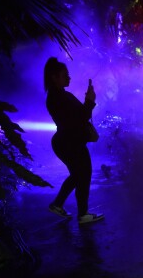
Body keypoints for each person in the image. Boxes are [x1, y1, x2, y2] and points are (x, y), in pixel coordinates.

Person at [44, 57, 104, 224]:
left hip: (66, 141)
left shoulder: (59, 96)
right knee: (83, 175)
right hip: (69, 143)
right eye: (65, 75)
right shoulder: (59, 98)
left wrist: (88, 102)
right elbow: (81, 117)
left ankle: (57, 205)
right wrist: (90, 101)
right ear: (54, 77)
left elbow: (80, 116)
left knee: (78, 175)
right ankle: (83, 214)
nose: (69, 78)